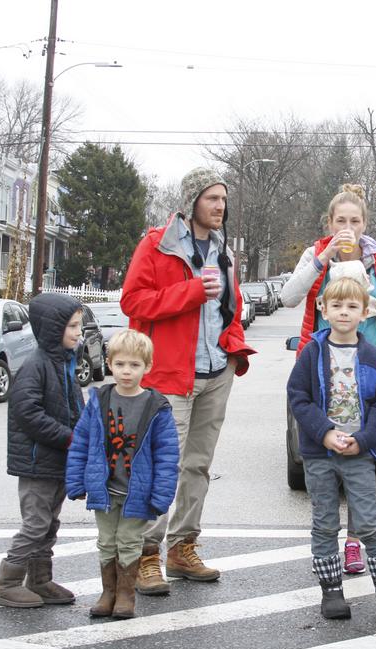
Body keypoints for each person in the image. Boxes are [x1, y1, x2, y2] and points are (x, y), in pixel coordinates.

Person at [120, 167, 255, 595]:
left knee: (198, 466)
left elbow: (228, 310)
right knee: (164, 466)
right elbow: (133, 301)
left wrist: (234, 349)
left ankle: (182, 548)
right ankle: (145, 556)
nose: (220, 206)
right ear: (192, 201)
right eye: (212, 198)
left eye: (223, 199)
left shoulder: (224, 251)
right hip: (169, 376)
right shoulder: (157, 245)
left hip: (217, 373)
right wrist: (192, 291)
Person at [281, 184, 376, 576]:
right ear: (329, 223)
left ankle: (354, 543)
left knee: (359, 461)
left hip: (367, 371)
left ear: (365, 224)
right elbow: (287, 297)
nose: (347, 227)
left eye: (354, 221)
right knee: (324, 461)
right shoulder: (316, 254)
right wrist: (325, 256)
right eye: (340, 221)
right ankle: (329, 543)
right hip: (321, 372)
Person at [286, 277, 376, 621]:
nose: (344, 312)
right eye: (336, 306)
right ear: (323, 309)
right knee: (324, 522)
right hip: (320, 453)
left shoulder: (372, 355)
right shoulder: (312, 352)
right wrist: (323, 434)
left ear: (366, 312)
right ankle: (332, 593)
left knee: (369, 522)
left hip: (358, 452)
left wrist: (363, 440)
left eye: (352, 307)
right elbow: (299, 398)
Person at [65, 329, 179, 618]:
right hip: (104, 489)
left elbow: (167, 456)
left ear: (147, 367)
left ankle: (126, 595)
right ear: (109, 363)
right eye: (120, 365)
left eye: (134, 365)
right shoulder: (99, 400)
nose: (126, 372)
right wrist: (76, 480)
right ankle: (108, 592)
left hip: (136, 492)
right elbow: (81, 442)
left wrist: (161, 496)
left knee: (128, 542)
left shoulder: (157, 407)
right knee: (106, 541)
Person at [0, 293, 85, 608]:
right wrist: (70, 438)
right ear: (52, 328)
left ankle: (40, 580)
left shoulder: (64, 362)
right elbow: (27, 413)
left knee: (50, 523)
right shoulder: (36, 365)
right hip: (36, 464)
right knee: (35, 524)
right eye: (72, 326)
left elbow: (73, 408)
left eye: (79, 326)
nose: (78, 332)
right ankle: (7, 583)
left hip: (56, 462)